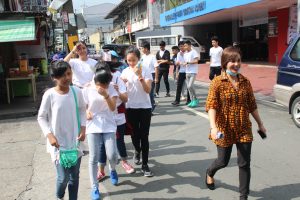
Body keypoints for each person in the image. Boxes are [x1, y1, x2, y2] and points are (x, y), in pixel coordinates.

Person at [205, 47, 267, 200]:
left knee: (244, 164)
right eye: (232, 61)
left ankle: (243, 196)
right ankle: (210, 172)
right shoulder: (217, 82)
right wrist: (213, 127)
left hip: (243, 128)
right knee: (222, 161)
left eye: (238, 60)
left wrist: (260, 124)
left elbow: (251, 105)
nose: (236, 64)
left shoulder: (245, 82)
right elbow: (211, 105)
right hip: (223, 128)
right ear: (225, 63)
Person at [37, 61, 86, 200]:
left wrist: (83, 128)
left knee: (74, 177)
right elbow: (41, 117)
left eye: (69, 74)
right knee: (63, 177)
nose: (67, 78)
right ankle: (59, 196)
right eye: (62, 75)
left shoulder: (77, 92)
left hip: (75, 142)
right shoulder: (49, 95)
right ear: (54, 77)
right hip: (57, 144)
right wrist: (49, 135)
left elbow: (83, 110)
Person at [82, 62, 119, 200]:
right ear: (96, 81)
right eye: (101, 85)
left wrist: (106, 95)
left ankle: (113, 170)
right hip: (92, 126)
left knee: (112, 154)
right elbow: (83, 106)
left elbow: (112, 107)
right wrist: (86, 112)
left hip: (108, 124)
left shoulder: (111, 88)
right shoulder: (87, 88)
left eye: (106, 85)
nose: (104, 87)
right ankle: (94, 187)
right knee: (93, 157)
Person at [97, 52, 135, 181]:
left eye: (108, 65)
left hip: (118, 113)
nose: (106, 68)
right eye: (103, 65)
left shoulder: (117, 76)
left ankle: (124, 161)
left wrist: (117, 91)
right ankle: (101, 169)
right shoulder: (96, 77)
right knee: (102, 144)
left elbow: (125, 98)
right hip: (103, 115)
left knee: (119, 141)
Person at [120, 46, 154, 177]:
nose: (131, 63)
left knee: (144, 136)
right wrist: (120, 84)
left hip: (145, 107)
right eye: (129, 60)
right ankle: (137, 150)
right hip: (130, 107)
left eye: (133, 60)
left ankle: (145, 164)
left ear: (139, 59)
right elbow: (122, 92)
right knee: (134, 135)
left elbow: (147, 90)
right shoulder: (124, 72)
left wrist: (140, 77)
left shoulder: (145, 71)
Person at [141, 41, 159, 113]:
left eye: (142, 48)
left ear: (146, 48)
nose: (141, 49)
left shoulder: (152, 57)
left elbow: (156, 67)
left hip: (151, 75)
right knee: (146, 93)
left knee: (150, 92)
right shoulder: (142, 57)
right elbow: (139, 65)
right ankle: (152, 105)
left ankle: (151, 108)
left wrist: (156, 78)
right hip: (144, 75)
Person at [171, 41, 190, 106]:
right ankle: (177, 101)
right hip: (181, 71)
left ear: (185, 46)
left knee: (188, 87)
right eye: (180, 46)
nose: (181, 47)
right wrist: (176, 73)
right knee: (179, 86)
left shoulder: (188, 53)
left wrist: (183, 56)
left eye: (182, 46)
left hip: (188, 71)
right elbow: (177, 64)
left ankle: (189, 100)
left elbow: (187, 62)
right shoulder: (179, 53)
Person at [183, 40, 199, 108]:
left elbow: (196, 61)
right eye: (184, 46)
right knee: (189, 88)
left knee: (190, 86)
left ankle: (195, 99)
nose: (184, 47)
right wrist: (184, 64)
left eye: (185, 45)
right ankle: (192, 101)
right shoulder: (185, 54)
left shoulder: (194, 52)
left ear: (189, 45)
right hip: (187, 72)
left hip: (193, 71)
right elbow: (185, 62)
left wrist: (188, 63)